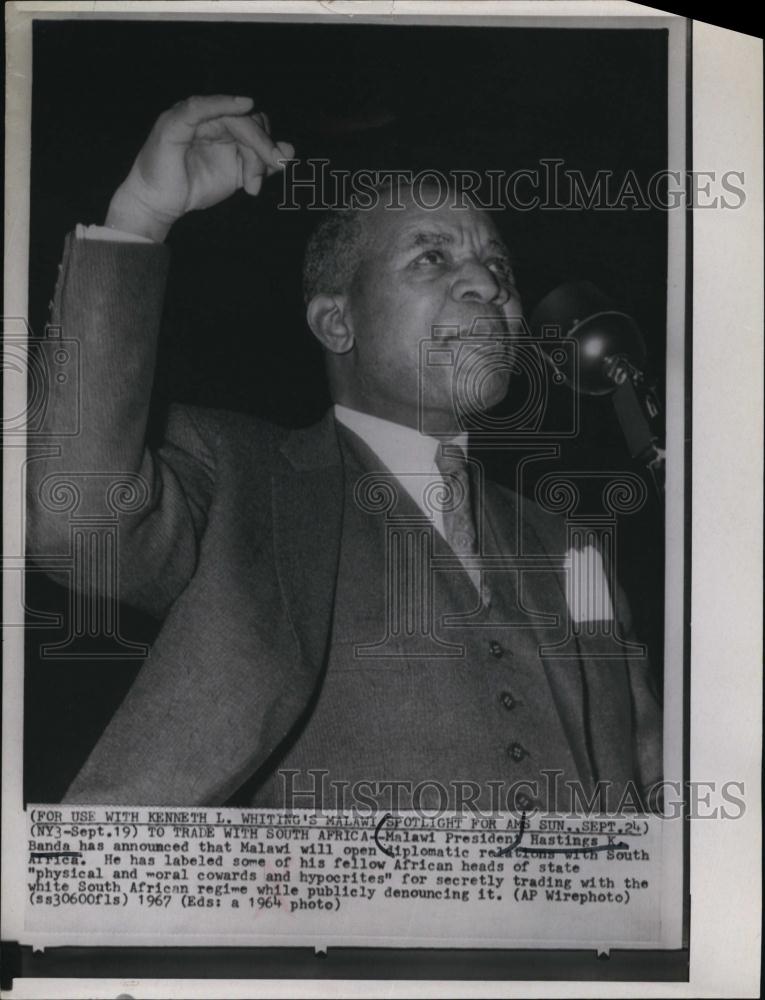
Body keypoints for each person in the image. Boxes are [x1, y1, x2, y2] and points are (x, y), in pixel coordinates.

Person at [27, 95, 662, 811]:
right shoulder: (241, 479)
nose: (488, 285)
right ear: (336, 321)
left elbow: (639, 767)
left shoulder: (571, 545)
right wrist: (140, 216)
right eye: (431, 256)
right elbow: (75, 522)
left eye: (498, 268)